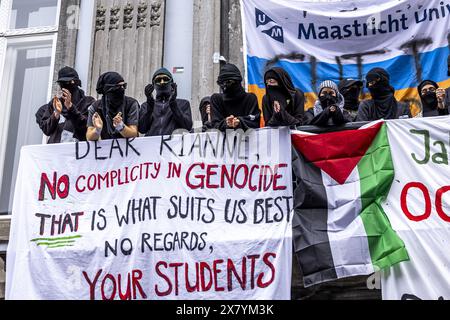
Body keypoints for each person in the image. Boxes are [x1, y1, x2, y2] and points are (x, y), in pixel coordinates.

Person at [35, 66, 95, 143]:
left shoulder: (88, 102)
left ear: (76, 82)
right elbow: (47, 130)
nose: (65, 86)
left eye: (68, 82)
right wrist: (56, 114)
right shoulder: (55, 103)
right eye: (61, 83)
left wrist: (71, 107)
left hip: (79, 150)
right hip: (57, 151)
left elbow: (88, 127)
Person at [139, 68, 193, 136]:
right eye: (158, 80)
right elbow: (142, 129)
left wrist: (173, 104)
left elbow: (187, 126)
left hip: (174, 145)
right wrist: (150, 105)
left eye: (165, 79)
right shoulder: (146, 105)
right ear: (153, 85)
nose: (162, 82)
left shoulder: (183, 104)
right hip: (152, 145)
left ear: (171, 83)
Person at [86, 72, 139, 141]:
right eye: (118, 87)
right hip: (107, 149)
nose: (122, 89)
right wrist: (97, 129)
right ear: (107, 90)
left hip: (128, 148)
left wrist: (121, 127)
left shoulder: (131, 104)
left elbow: (133, 133)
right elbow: (89, 137)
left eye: (124, 86)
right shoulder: (96, 107)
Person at [210, 63, 260, 131]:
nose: (225, 86)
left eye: (229, 82)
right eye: (221, 83)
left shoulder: (250, 99)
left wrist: (240, 122)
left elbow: (255, 122)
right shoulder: (216, 99)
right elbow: (214, 125)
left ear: (237, 81)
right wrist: (226, 123)